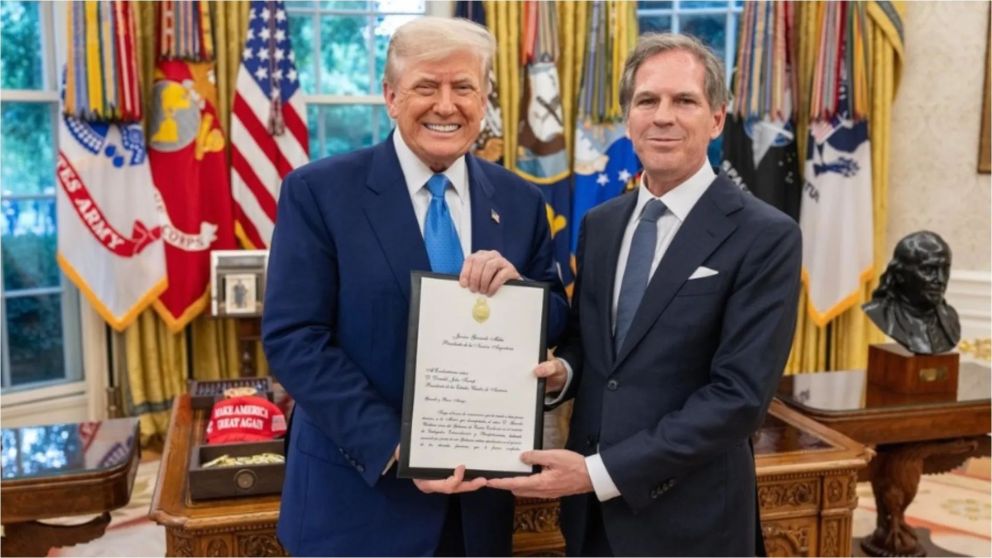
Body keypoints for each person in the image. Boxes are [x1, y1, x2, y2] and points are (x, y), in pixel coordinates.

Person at [262, 17, 568, 556]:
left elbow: (557, 315)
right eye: (427, 86)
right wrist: (398, 447)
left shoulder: (520, 201)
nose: (446, 106)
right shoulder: (318, 193)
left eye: (464, 87)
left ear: (484, 98)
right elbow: (295, 338)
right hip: (357, 504)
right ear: (391, 96)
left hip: (478, 508)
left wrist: (524, 294)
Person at [488, 33, 802, 556]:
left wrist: (599, 473)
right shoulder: (602, 224)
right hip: (590, 523)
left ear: (717, 118)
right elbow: (594, 348)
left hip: (692, 524)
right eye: (647, 100)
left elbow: (739, 398)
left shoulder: (765, 235)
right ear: (628, 118)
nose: (663, 116)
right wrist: (564, 372)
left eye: (684, 101)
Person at [862, 231, 960, 354]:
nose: (940, 279)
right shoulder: (879, 312)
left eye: (945, 270)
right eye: (928, 270)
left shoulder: (950, 318)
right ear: (900, 274)